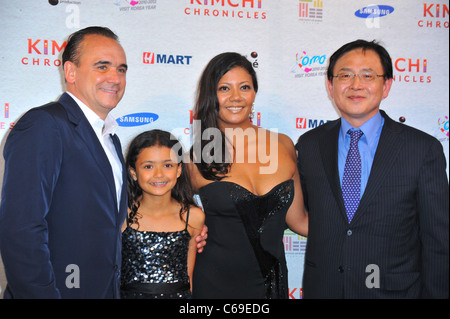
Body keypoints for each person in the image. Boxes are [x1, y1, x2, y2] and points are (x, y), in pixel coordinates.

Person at [295, 39, 449, 298]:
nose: (356, 85)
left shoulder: (422, 149)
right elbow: (297, 211)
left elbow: (438, 242)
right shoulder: (309, 145)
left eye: (368, 75)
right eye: (345, 75)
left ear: (386, 85)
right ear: (330, 85)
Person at [0, 26, 129, 299]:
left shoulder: (111, 139)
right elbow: (22, 229)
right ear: (70, 72)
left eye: (121, 69)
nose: (115, 78)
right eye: (102, 66)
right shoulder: (44, 124)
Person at [188, 52, 308, 299]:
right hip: (214, 285)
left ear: (254, 93)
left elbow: (298, 221)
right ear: (212, 95)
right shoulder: (195, 158)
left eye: (244, 87)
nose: (235, 97)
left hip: (271, 285)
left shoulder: (283, 145)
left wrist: (359, 228)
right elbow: (167, 215)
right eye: (224, 88)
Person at [120, 129, 204, 299]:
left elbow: (189, 277)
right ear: (133, 172)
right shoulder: (120, 215)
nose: (159, 174)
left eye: (168, 165)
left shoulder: (193, 216)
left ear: (179, 170)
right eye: (148, 166)